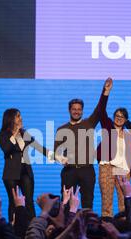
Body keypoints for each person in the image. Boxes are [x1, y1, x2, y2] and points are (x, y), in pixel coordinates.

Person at [54, 78, 111, 209]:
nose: (76, 111)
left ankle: (88, 228)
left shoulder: (89, 123)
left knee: (87, 203)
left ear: (82, 111)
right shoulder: (62, 129)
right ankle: (66, 228)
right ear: (69, 110)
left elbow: (100, 108)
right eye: (74, 109)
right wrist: (60, 158)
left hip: (87, 170)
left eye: (79, 109)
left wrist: (106, 91)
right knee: (67, 203)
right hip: (69, 171)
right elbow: (56, 151)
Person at [0, 108, 52, 223]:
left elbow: (39, 148)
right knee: (14, 201)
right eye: (18, 116)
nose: (20, 118)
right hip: (11, 174)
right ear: (10, 119)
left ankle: (32, 226)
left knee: (29, 201)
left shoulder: (24, 134)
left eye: (20, 115)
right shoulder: (3, 135)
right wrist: (15, 134)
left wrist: (57, 158)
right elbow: (6, 149)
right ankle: (13, 227)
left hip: (26, 172)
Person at [96, 78, 131, 217]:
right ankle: (108, 229)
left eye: (122, 117)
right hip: (107, 167)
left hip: (122, 169)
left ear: (126, 120)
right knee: (107, 203)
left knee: (124, 202)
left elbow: (130, 155)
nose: (119, 118)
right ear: (113, 117)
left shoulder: (127, 134)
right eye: (117, 115)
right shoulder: (107, 126)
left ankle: (124, 230)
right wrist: (106, 91)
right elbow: (101, 110)